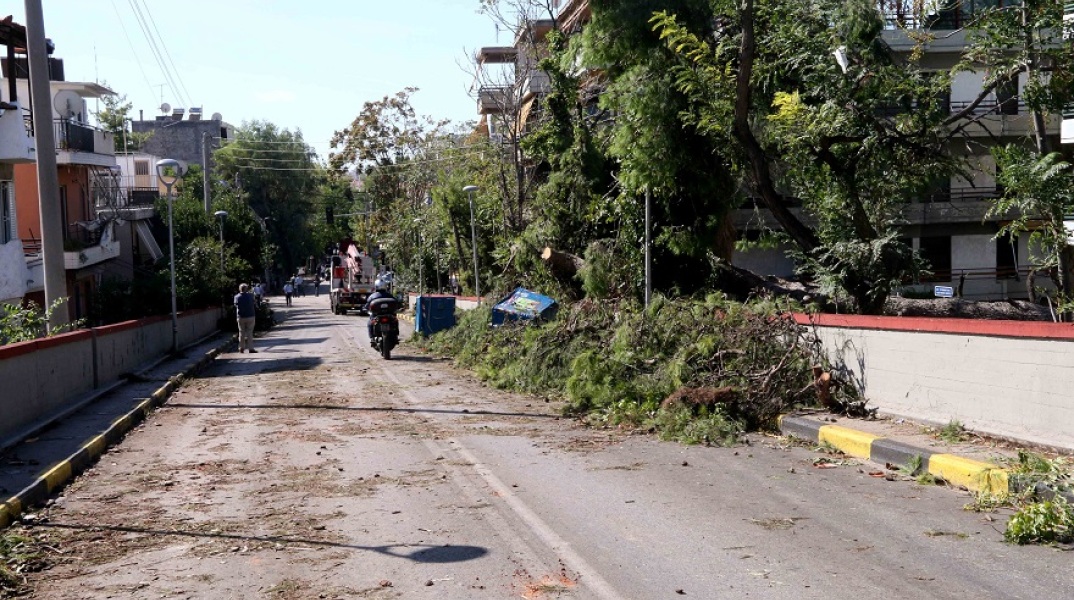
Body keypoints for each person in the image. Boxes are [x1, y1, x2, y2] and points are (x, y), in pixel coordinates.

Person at [234, 283, 258, 353]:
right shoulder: (251, 295)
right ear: (246, 289)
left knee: (241, 332)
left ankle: (241, 348)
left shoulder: (236, 297)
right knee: (250, 332)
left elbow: (236, 305)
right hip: (250, 316)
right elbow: (254, 302)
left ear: (239, 289)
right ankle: (251, 348)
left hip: (241, 316)